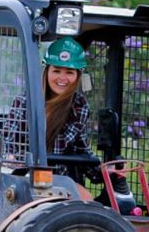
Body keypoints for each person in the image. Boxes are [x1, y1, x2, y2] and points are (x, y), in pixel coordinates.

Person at [6, 37, 101, 187]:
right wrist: (13, 159)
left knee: (90, 201)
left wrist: (102, 172)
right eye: (56, 70)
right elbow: (9, 142)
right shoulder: (25, 101)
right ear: (46, 70)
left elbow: (80, 149)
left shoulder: (79, 106)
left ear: (78, 76)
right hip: (25, 179)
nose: (62, 78)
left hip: (61, 182)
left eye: (69, 72)